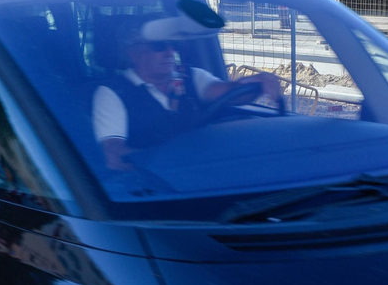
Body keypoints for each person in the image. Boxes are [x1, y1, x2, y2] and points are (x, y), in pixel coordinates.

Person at [93, 17, 279, 170]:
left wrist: (257, 83)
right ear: (133, 52)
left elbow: (230, 94)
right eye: (159, 46)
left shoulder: (190, 76)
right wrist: (168, 162)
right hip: (159, 189)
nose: (169, 52)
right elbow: (114, 153)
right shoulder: (112, 93)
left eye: (173, 45)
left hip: (206, 173)